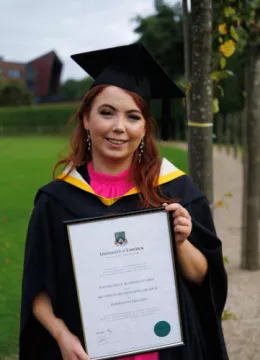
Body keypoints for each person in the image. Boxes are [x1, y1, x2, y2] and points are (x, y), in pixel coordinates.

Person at [19, 43, 229, 360]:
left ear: (144, 128)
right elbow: (37, 287)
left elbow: (203, 279)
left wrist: (181, 241)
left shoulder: (176, 189)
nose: (119, 127)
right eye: (107, 112)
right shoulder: (56, 199)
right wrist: (62, 336)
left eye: (133, 117)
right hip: (86, 351)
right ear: (86, 119)